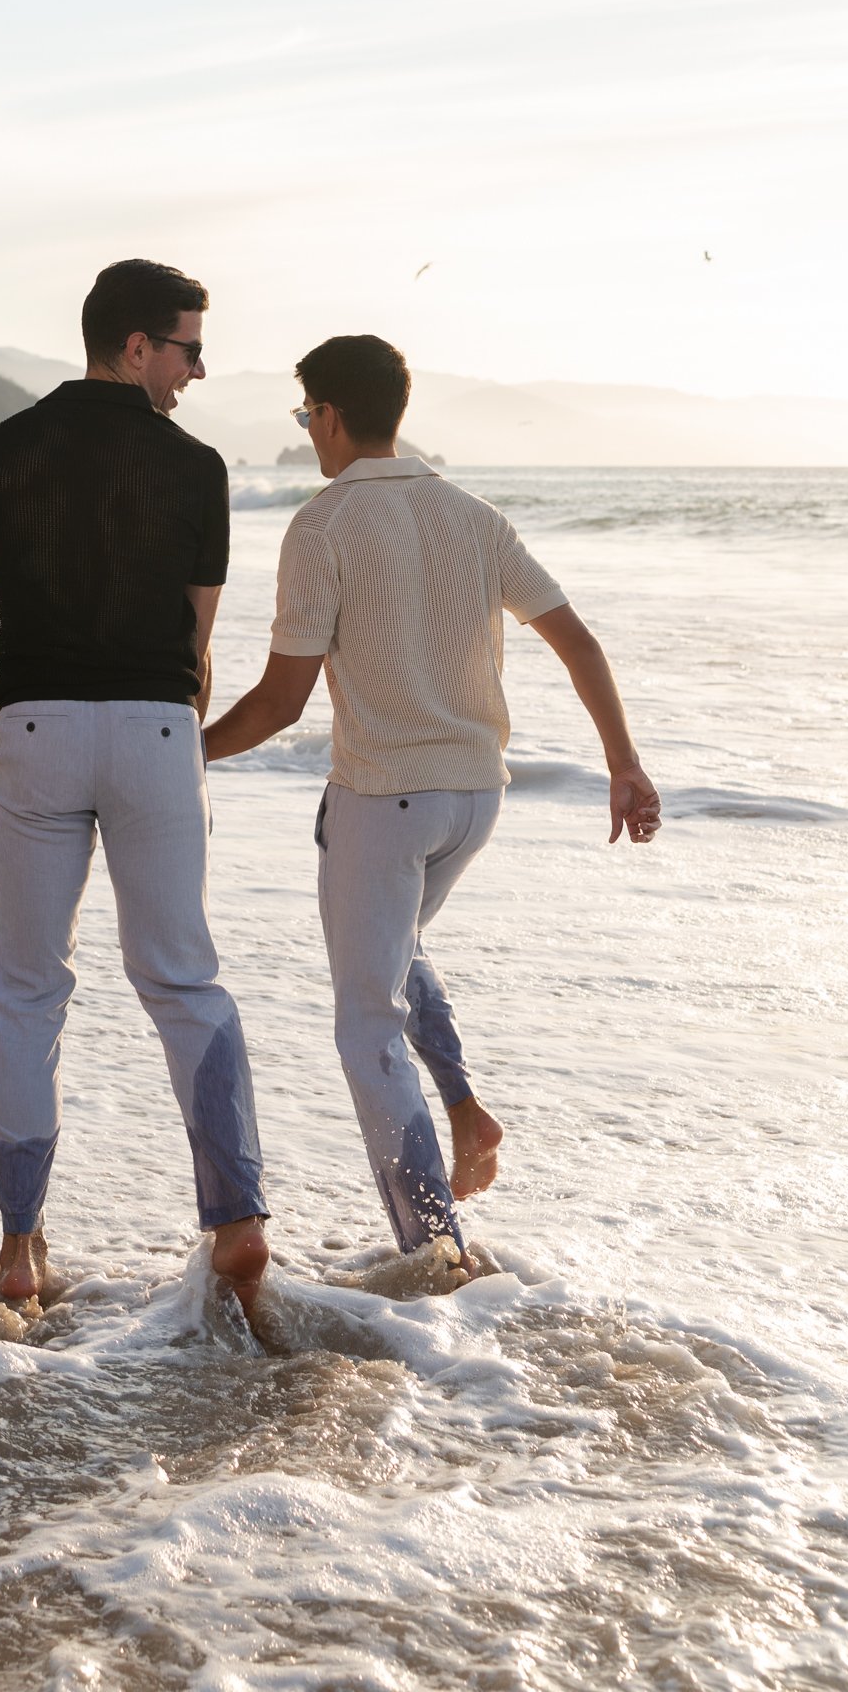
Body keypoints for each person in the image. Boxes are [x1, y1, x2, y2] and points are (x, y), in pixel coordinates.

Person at [202, 334, 659, 1260]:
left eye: (305, 416)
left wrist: (186, 754)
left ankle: (433, 1246)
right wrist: (625, 762)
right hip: (476, 798)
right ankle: (464, 1111)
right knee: (397, 951)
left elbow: (282, 701)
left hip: (383, 800)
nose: (310, 433)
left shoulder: (323, 525)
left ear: (327, 415)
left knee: (363, 1024)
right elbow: (577, 641)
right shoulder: (473, 515)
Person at [0, 260, 270, 1312]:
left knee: (27, 988)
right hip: (158, 730)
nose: (199, 370)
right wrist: (162, 727)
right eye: (189, 347)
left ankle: (21, 1249)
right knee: (184, 980)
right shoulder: (198, 467)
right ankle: (238, 1221)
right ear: (136, 345)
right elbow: (197, 650)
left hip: (37, 730)